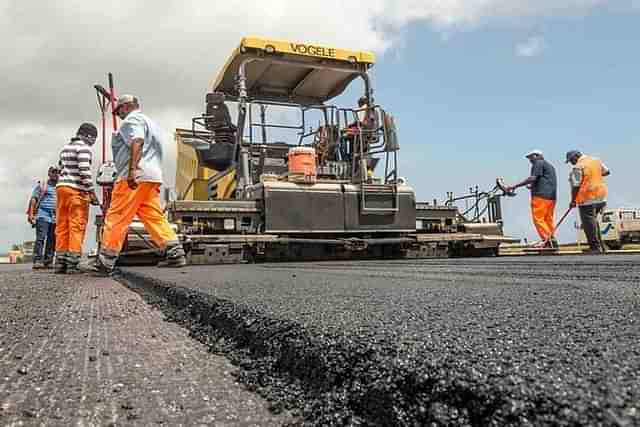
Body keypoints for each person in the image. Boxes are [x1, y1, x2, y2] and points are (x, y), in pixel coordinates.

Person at [91, 94, 186, 275]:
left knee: (117, 216)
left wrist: (132, 170)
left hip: (135, 177)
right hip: (152, 177)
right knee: (153, 216)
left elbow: (137, 141)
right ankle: (175, 252)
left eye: (119, 111)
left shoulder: (131, 122)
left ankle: (106, 261)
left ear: (126, 107)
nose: (119, 115)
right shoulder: (152, 124)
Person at [55, 123, 100, 274]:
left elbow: (61, 168)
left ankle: (60, 263)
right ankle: (72, 264)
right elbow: (84, 171)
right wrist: (92, 192)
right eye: (94, 138)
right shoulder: (84, 149)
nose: (94, 141)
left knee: (62, 225)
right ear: (88, 136)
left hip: (61, 188)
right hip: (76, 191)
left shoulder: (65, 148)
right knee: (77, 225)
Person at [505, 150, 558, 248]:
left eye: (531, 157)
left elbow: (532, 178)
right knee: (548, 220)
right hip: (551, 197)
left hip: (540, 196)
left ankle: (547, 241)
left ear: (537, 156)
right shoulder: (549, 166)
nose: (530, 160)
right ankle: (552, 240)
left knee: (538, 219)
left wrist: (514, 186)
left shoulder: (538, 163)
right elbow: (544, 180)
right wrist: (532, 186)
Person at [566, 150, 611, 254]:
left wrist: (573, 201)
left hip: (587, 198)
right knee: (593, 222)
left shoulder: (578, 167)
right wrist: (592, 177)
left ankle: (595, 248)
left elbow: (576, 185)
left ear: (576, 156)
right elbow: (607, 172)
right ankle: (601, 247)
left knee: (588, 224)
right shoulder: (596, 160)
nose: (571, 163)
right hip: (601, 196)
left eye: (571, 160)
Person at [27, 166, 59, 269]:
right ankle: (37, 260)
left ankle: (48, 261)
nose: (56, 174)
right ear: (49, 173)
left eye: (58, 172)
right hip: (43, 214)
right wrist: (31, 214)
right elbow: (34, 199)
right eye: (53, 172)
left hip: (55, 216)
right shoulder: (43, 185)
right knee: (40, 238)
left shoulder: (61, 186)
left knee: (52, 239)